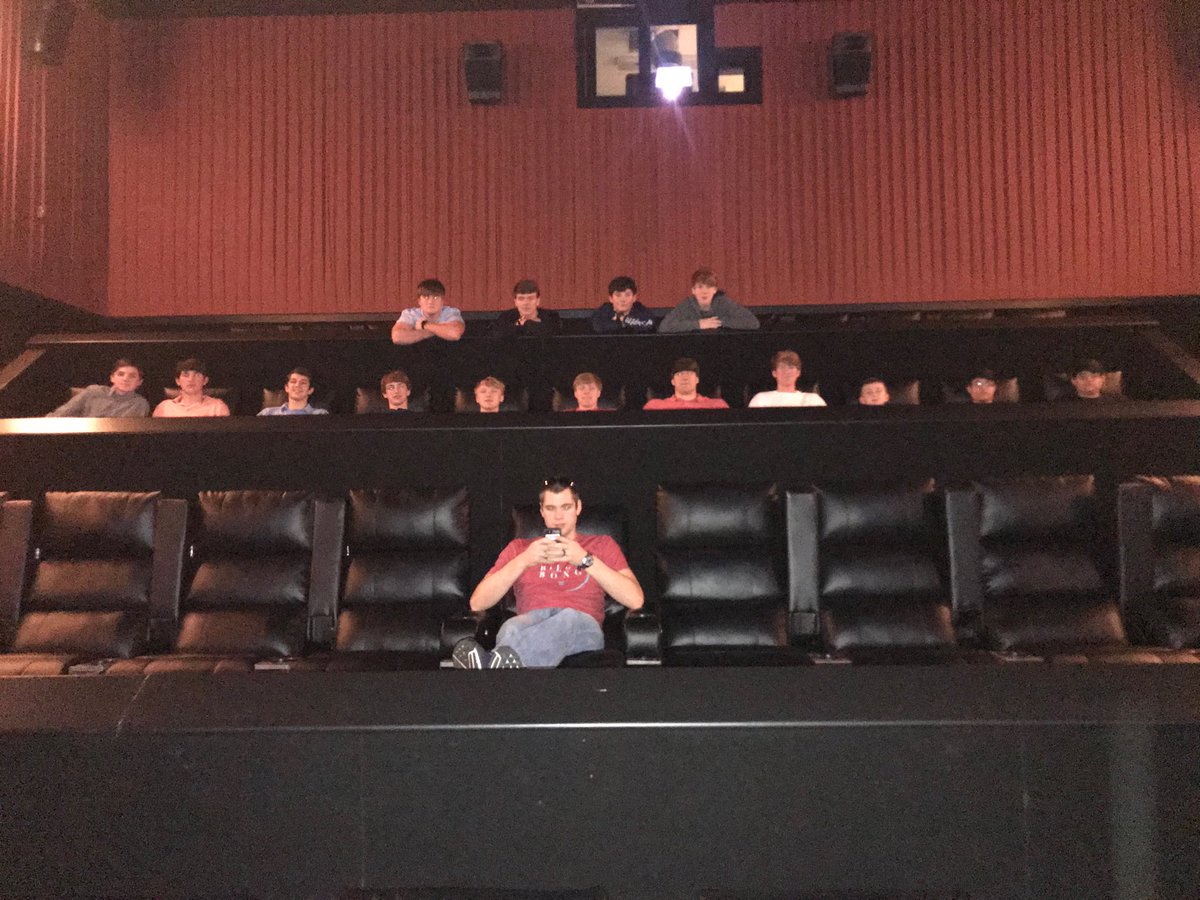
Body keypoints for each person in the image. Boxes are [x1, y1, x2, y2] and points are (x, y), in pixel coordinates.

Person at [454, 476, 644, 668]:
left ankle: (490, 667)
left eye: (566, 507)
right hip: (532, 620)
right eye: (551, 509)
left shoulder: (602, 545)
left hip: (582, 626)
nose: (558, 517)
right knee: (510, 627)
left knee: (569, 618)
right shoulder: (519, 548)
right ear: (542, 511)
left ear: (578, 508)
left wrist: (585, 560)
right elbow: (478, 602)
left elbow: (635, 599)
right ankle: (499, 665)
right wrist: (524, 561)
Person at [658, 267, 759, 333]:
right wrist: (698, 324)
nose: (704, 291)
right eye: (700, 287)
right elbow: (664, 327)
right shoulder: (687, 305)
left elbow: (753, 323)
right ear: (693, 290)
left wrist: (719, 322)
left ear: (715, 290)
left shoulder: (724, 303)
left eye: (709, 287)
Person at [47, 358, 149, 417]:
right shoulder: (94, 391)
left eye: (132, 376)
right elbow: (63, 413)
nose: (125, 379)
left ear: (139, 382)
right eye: (121, 374)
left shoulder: (140, 404)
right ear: (112, 377)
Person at [390, 278, 466, 345]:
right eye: (426, 297)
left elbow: (455, 334)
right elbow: (397, 337)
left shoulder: (451, 312)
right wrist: (438, 331)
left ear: (442, 301)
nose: (430, 302)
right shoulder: (410, 314)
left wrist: (424, 325)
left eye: (435, 297)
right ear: (419, 301)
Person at [152, 358, 231, 417]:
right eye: (186, 375)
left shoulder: (217, 407)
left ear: (205, 380)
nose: (191, 379)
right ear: (178, 381)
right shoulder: (164, 407)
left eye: (197, 375)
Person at [747, 351, 826, 408]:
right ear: (774, 373)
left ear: (798, 373)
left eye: (791, 368)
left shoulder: (813, 400)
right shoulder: (761, 399)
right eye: (782, 367)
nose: (787, 372)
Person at [643, 358, 729, 410]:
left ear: (697, 379)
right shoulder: (654, 406)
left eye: (689, 373)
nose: (684, 378)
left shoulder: (718, 405)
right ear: (672, 381)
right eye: (679, 374)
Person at [491, 279, 561, 337]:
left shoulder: (551, 316)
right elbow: (500, 334)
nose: (526, 303)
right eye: (521, 299)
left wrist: (525, 323)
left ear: (538, 301)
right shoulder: (505, 317)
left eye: (530, 298)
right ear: (515, 301)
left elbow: (550, 332)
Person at [590, 276, 656, 334]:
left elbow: (648, 326)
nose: (623, 300)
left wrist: (623, 319)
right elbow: (598, 328)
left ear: (634, 298)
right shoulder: (601, 313)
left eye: (627, 295)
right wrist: (623, 324)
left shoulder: (644, 312)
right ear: (611, 299)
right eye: (618, 295)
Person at [257, 368, 329, 415]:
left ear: (310, 390)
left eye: (303, 383)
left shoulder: (320, 414)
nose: (297, 385)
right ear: (286, 388)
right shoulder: (267, 414)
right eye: (293, 381)